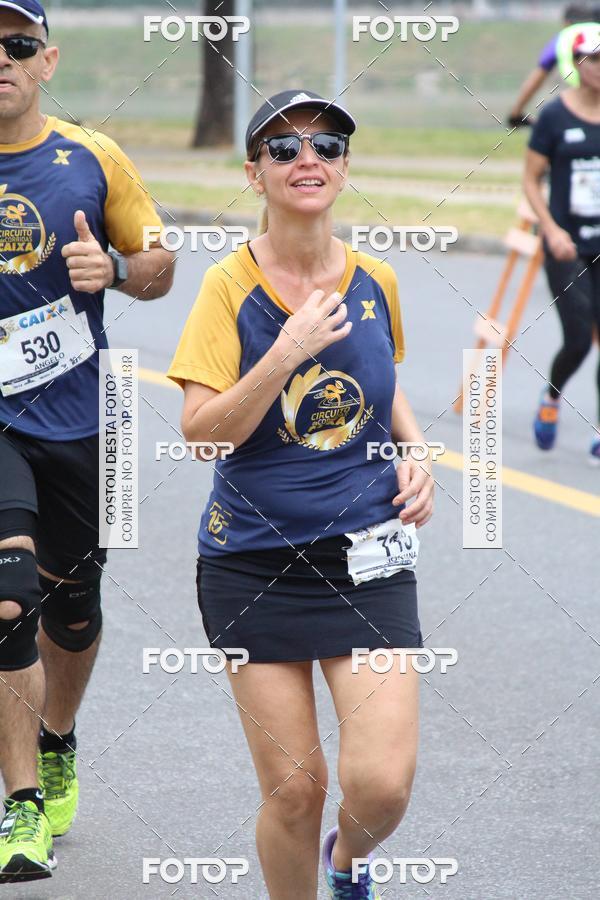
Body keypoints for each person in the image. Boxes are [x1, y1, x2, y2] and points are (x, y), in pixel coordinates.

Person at [168, 89, 435, 899]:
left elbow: (380, 386)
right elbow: (203, 432)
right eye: (283, 149)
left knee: (381, 785)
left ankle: (348, 863)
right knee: (294, 791)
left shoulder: (376, 278)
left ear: (345, 170)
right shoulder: (227, 287)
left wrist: (417, 452)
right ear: (255, 175)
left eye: (326, 145)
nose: (306, 159)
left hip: (366, 555)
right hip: (253, 564)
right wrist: (282, 352)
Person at [0, 0, 174, 882]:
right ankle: (21, 806)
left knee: (72, 605)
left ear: (48, 60)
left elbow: (160, 264)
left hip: (80, 416)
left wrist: (115, 269)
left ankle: (58, 736)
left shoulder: (92, 157)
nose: (2, 58)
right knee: (6, 593)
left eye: (16, 44)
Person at [524, 23, 600, 462]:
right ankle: (552, 397)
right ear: (579, 64)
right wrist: (551, 230)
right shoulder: (555, 116)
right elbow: (531, 180)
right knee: (578, 339)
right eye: (593, 59)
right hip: (566, 243)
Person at [508, 4, 600, 128]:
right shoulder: (596, 29)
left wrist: (516, 114)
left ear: (566, 23)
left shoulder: (564, 36)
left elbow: (536, 79)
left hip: (581, 83)